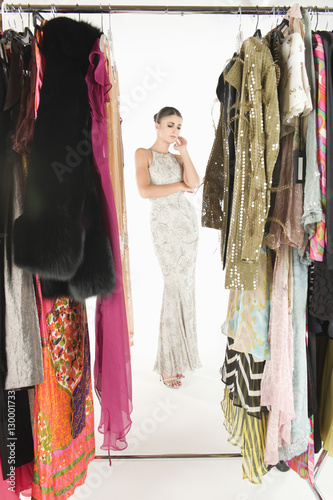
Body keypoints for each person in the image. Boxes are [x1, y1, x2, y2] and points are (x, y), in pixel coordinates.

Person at [135, 106, 202, 388]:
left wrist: (185, 152)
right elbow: (145, 191)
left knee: (185, 289)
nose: (175, 131)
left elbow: (195, 183)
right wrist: (179, 186)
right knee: (173, 287)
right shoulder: (144, 154)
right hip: (164, 226)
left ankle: (180, 358)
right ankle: (167, 363)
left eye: (179, 127)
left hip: (187, 227)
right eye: (170, 125)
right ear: (157, 126)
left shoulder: (177, 156)